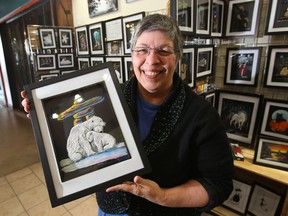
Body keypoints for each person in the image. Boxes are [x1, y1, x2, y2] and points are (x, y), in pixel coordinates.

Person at [21, 14, 234, 216]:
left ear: (177, 57)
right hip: (111, 210)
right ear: (132, 55)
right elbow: (74, 121)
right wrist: (43, 113)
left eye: (164, 50)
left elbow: (218, 184)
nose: (152, 60)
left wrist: (162, 196)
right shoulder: (111, 97)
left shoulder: (200, 114)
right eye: (142, 50)